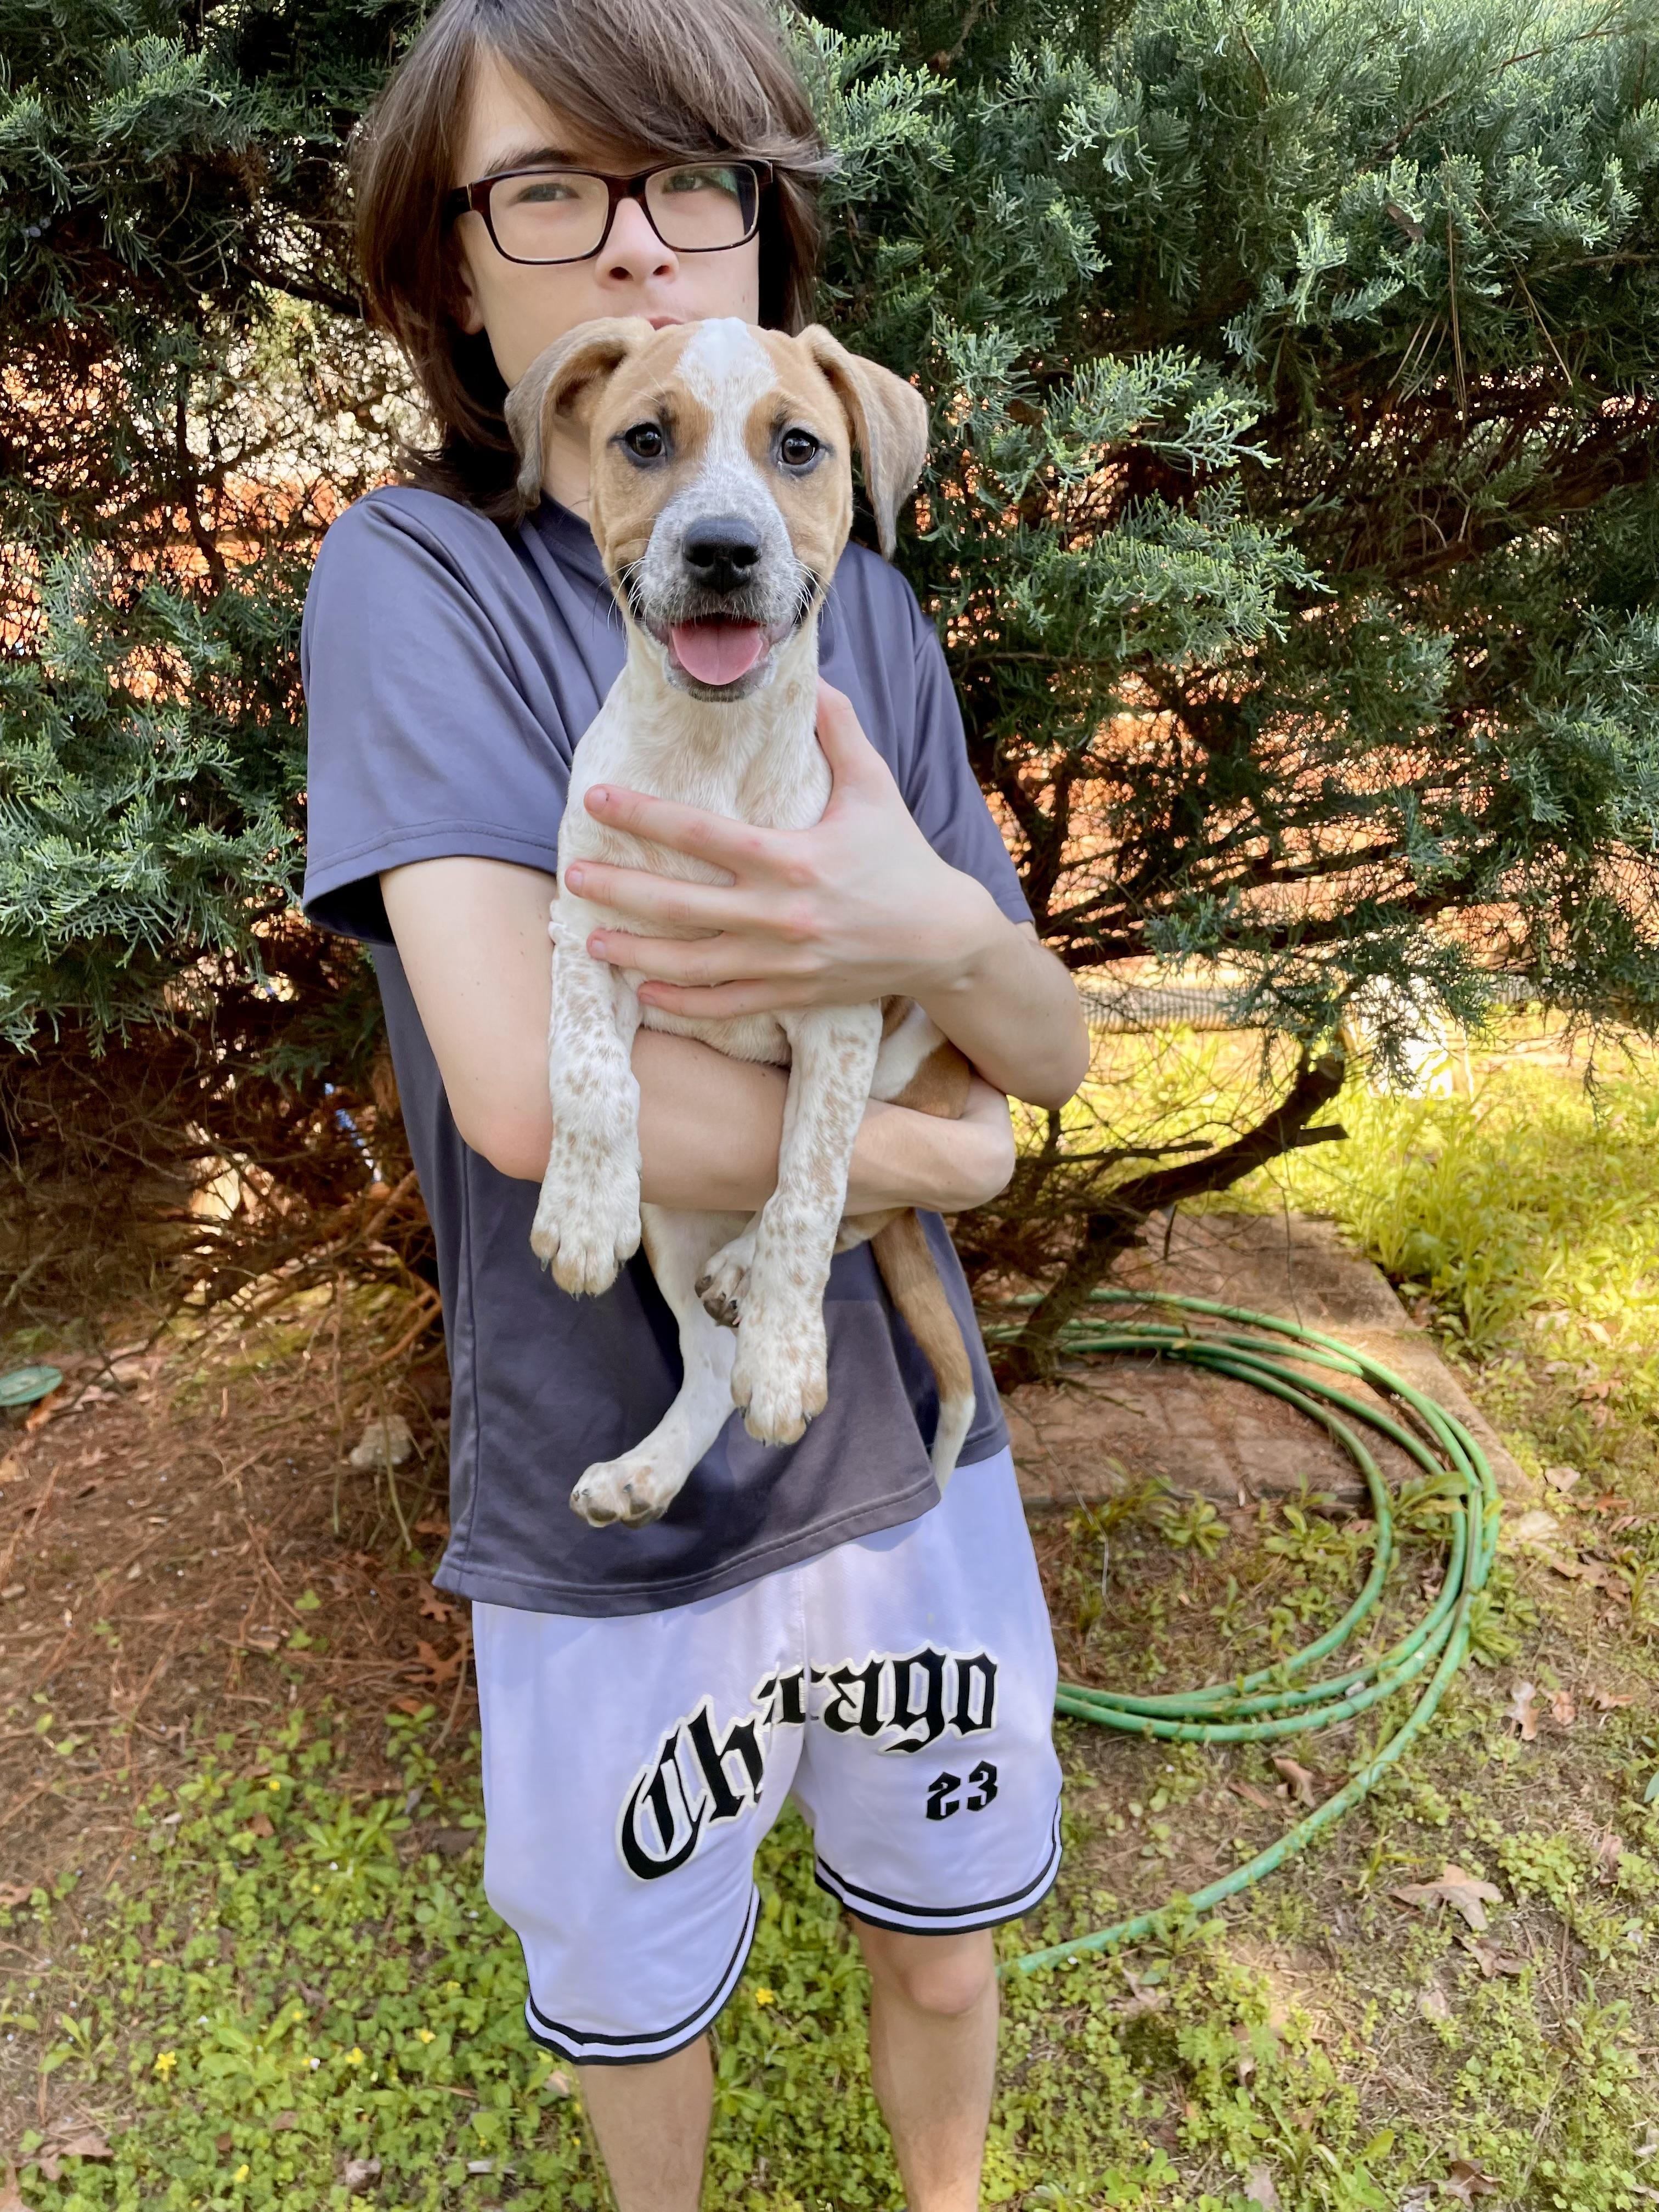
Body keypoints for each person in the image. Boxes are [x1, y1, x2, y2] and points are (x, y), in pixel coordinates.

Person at [300, 1, 1091, 2204]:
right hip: (601, 1502)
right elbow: (543, 1108)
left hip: (902, 1456)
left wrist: (929, 954)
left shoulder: (873, 614)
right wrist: (944, 1152)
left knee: (943, 1945)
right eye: (554, 188)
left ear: (764, 232)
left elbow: (1044, 1044)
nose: (640, 249)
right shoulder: (422, 578)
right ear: (464, 282)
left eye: (693, 184)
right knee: (647, 1991)